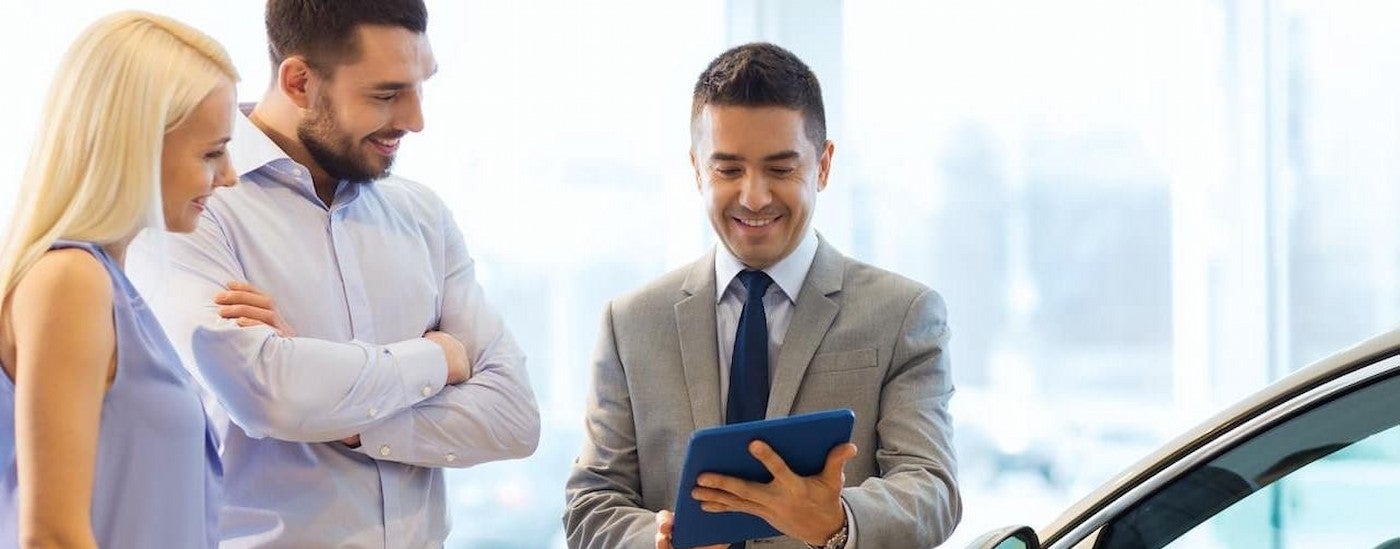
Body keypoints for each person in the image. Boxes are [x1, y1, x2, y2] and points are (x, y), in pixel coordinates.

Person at [127, 1, 539, 546]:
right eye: (387, 94)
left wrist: (343, 418)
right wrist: (437, 359)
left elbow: (514, 418)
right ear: (299, 81)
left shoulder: (423, 216)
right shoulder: (194, 207)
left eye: (421, 86)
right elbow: (271, 396)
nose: (416, 120)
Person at [564, 42, 960, 549]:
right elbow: (591, 503)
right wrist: (658, 541)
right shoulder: (631, 322)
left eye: (780, 169)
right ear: (696, 168)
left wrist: (837, 521)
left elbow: (932, 488)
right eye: (728, 169)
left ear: (823, 165)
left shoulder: (904, 314)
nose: (754, 196)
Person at [0, 11, 239, 548]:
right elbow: (54, 537)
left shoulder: (105, 284)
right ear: (136, 143)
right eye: (212, 152)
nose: (229, 176)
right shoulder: (71, 281)